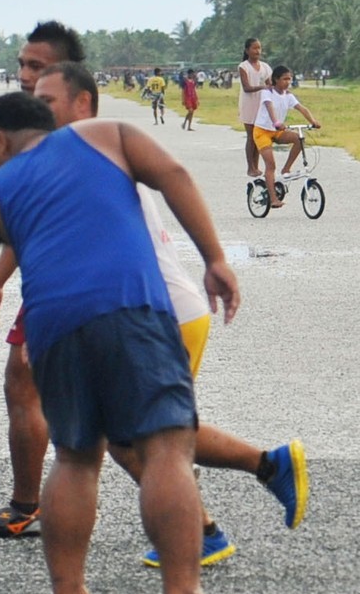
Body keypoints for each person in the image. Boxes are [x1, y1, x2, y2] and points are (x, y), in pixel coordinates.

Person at [0, 92, 263, 594]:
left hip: (52, 332)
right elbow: (174, 174)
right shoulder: (108, 135)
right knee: (165, 446)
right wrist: (214, 258)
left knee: (76, 456)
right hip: (131, 308)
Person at [29, 63, 308, 564]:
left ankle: (211, 521)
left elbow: (168, 184)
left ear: (81, 103)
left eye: (45, 99)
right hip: (163, 311)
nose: (35, 109)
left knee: (139, 436)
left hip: (161, 314)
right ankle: (249, 483)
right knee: (143, 431)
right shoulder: (93, 154)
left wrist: (216, 260)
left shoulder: (84, 160)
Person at [0, 20, 85, 537]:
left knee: (112, 419)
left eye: (37, 66)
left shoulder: (62, 136)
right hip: (64, 282)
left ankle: (26, 505)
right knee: (114, 413)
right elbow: (29, 220)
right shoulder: (52, 130)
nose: (25, 75)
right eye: (22, 64)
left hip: (72, 283)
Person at [252, 66, 322, 209]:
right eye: (285, 79)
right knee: (271, 165)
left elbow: (302, 108)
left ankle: (286, 169)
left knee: (299, 139)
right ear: (276, 79)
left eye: (290, 79)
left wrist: (313, 121)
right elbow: (269, 107)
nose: (288, 82)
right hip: (262, 131)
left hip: (277, 131)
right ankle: (273, 199)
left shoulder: (288, 95)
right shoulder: (267, 92)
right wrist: (276, 122)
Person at [239, 38, 272, 177]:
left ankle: (256, 166)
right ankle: (250, 167)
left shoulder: (265, 67)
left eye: (259, 48)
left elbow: (270, 85)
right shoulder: (244, 67)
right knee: (251, 137)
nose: (257, 51)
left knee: (258, 136)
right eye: (254, 48)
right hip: (248, 104)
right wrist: (263, 87)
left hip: (261, 105)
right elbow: (246, 88)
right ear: (247, 50)